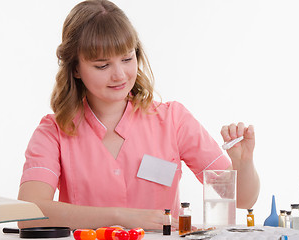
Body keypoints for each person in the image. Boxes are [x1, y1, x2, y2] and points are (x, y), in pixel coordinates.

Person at [18, 0, 260, 230]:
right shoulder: (53, 132)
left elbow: (242, 201)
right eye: (102, 65)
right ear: (75, 69)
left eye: (127, 59)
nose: (120, 75)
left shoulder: (173, 120)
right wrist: (120, 217)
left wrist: (243, 163)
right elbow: (28, 213)